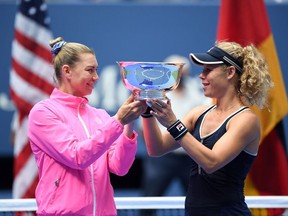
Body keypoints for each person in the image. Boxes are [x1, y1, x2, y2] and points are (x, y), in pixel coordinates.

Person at [141, 41, 274, 215]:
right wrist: (147, 111)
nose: (201, 76)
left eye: (208, 70)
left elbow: (212, 162)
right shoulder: (198, 114)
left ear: (230, 72)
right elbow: (156, 148)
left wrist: (173, 123)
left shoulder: (246, 120)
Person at [27, 37, 146, 216]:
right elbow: (77, 156)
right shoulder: (43, 113)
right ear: (67, 71)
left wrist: (129, 124)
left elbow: (120, 168)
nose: (96, 77)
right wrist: (119, 120)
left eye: (96, 70)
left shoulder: (100, 115)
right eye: (90, 70)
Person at [140, 55, 211, 215]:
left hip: (189, 156)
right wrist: (155, 146)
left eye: (184, 73)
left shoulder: (197, 95)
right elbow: (142, 128)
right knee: (148, 201)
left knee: (197, 202)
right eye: (178, 73)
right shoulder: (157, 94)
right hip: (162, 159)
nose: (182, 77)